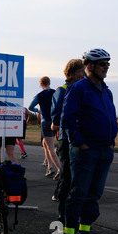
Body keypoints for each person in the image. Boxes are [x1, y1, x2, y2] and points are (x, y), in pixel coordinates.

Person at [60, 48, 118, 234]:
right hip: (85, 152)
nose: (106, 67)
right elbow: (67, 120)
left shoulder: (106, 90)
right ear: (90, 66)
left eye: (108, 64)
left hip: (104, 151)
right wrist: (80, 143)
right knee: (78, 196)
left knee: (93, 197)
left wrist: (111, 142)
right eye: (103, 64)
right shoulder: (78, 88)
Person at [50, 59, 85, 216]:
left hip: (83, 138)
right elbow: (57, 116)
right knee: (67, 175)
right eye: (81, 71)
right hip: (67, 138)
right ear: (70, 74)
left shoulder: (84, 89)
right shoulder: (62, 90)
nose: (84, 74)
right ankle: (62, 215)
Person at [29, 76, 61, 178]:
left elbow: (30, 107)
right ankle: (49, 166)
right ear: (49, 82)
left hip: (46, 121)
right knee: (45, 144)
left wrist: (38, 111)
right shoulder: (55, 92)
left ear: (41, 84)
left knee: (50, 147)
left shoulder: (40, 95)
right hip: (55, 121)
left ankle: (59, 169)